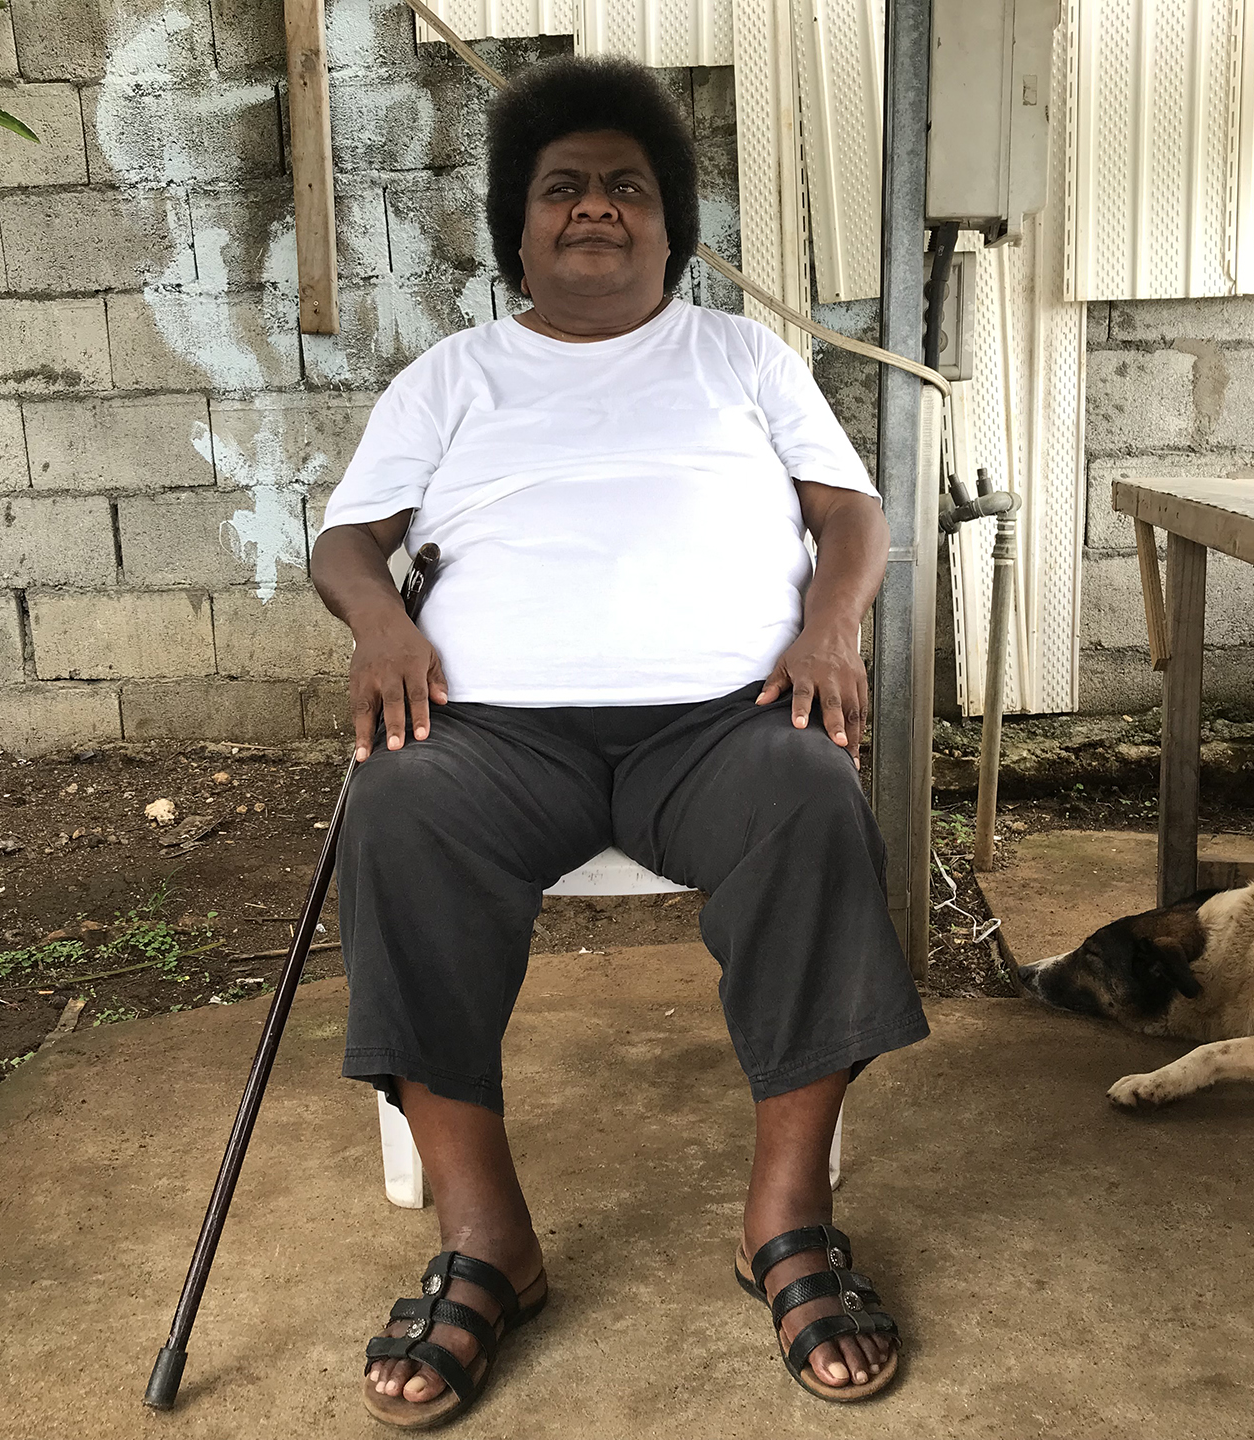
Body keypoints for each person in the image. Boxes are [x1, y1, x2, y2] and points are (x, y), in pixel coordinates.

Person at [310, 53, 928, 1428]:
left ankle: (787, 1220)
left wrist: (831, 627)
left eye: (628, 187)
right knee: (395, 805)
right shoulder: (451, 378)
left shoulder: (743, 359)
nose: (596, 205)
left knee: (812, 793)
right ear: (518, 227)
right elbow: (348, 540)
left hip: (723, 725)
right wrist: (379, 625)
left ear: (671, 226)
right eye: (564, 187)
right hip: (492, 737)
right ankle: (487, 1241)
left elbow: (852, 516)